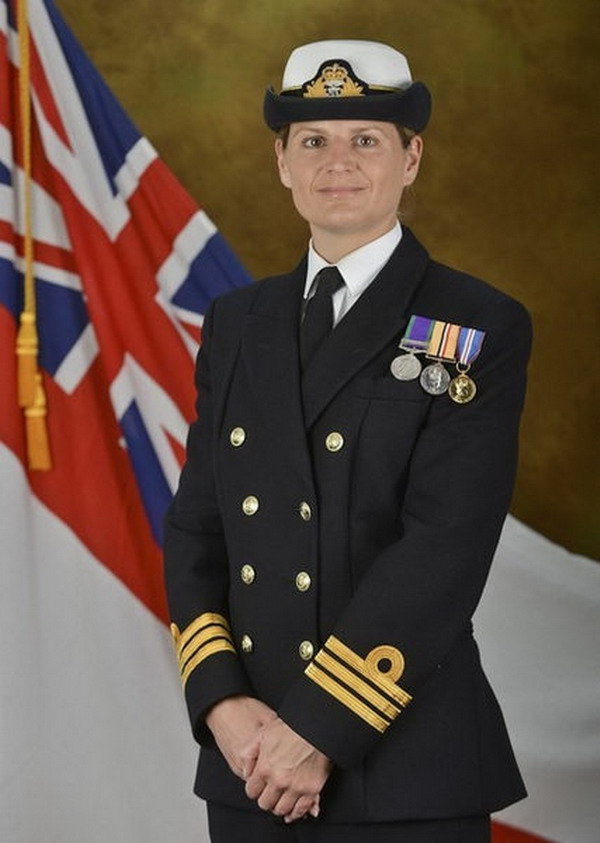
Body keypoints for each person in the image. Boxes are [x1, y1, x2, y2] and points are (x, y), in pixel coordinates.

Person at [163, 39, 531, 842]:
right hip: (250, 763)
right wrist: (222, 701)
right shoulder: (236, 323)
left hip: (402, 767)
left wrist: (318, 729)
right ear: (282, 162)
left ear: (411, 157)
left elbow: (444, 548)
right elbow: (197, 528)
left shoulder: (476, 325)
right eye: (313, 141)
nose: (338, 162)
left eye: (366, 138)